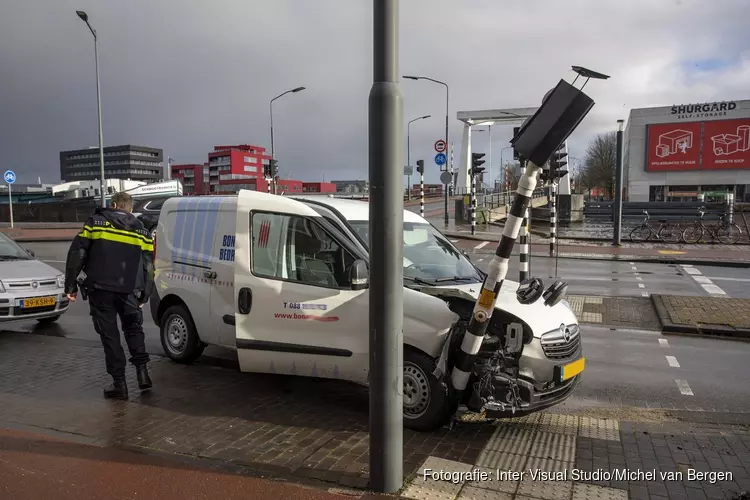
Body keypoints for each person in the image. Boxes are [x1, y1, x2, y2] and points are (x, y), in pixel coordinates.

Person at [64, 191, 155, 400]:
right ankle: (143, 375)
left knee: (110, 336)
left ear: (113, 204)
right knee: (134, 330)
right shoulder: (142, 230)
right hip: (130, 290)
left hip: (101, 290)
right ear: (130, 209)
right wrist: (145, 294)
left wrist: (71, 286)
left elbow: (78, 253)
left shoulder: (96, 223)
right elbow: (149, 266)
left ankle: (119, 385)